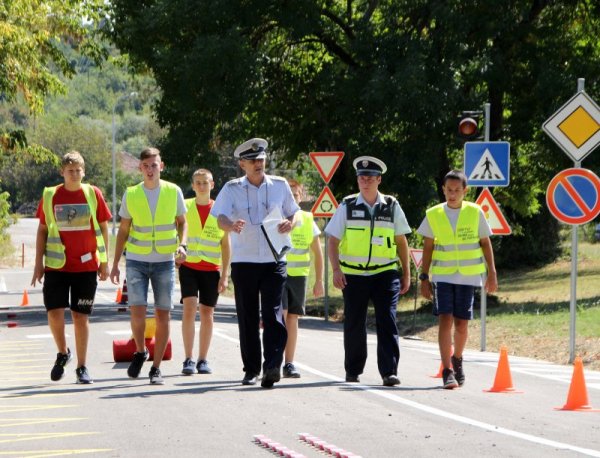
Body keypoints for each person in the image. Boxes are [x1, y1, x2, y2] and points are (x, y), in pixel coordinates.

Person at [211, 138, 299, 388]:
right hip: (245, 260)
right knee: (248, 316)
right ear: (242, 164)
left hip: (274, 260)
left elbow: (293, 212)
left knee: (272, 314)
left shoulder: (280, 185)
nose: (258, 164)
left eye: (261, 159)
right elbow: (220, 218)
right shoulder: (231, 188)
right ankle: (251, 369)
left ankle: (272, 366)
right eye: (252, 161)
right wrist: (230, 225)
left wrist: (290, 223)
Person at [326, 156, 411, 387]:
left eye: (370, 178)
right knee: (354, 323)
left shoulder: (391, 205)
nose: (365, 181)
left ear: (379, 180)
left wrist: (407, 273)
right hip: (353, 275)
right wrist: (336, 269)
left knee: (388, 320)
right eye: (361, 177)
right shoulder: (347, 205)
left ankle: (389, 372)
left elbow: (401, 241)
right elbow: (332, 241)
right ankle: (353, 370)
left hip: (385, 274)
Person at [31, 151, 111, 384]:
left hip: (86, 267)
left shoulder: (92, 193)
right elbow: (43, 230)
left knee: (80, 316)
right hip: (56, 266)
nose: (74, 174)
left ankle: (82, 367)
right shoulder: (50, 195)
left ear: (83, 172)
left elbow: (104, 228)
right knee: (54, 314)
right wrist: (38, 264)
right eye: (70, 171)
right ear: (62, 172)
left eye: (78, 170)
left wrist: (104, 261)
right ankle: (63, 352)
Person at [110, 147, 187, 385]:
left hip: (164, 260)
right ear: (140, 168)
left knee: (163, 314)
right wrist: (115, 263)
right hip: (137, 260)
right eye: (146, 166)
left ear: (161, 166)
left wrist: (182, 246)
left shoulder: (173, 191)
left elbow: (183, 223)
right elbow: (123, 230)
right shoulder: (131, 193)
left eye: (154, 165)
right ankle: (141, 350)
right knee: (137, 313)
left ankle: (155, 368)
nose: (151, 170)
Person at [417, 169, 497, 389]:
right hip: (443, 275)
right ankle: (447, 370)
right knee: (445, 318)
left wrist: (492, 272)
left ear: (465, 191)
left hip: (468, 276)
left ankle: (458, 359)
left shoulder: (475, 212)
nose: (452, 194)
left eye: (456, 190)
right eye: (448, 190)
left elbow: (485, 242)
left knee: (461, 323)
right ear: (443, 189)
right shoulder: (434, 213)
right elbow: (428, 246)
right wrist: (424, 277)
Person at [179, 168, 231, 376]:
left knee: (207, 313)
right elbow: (177, 232)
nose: (201, 186)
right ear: (193, 186)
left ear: (212, 185)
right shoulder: (185, 205)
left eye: (205, 182)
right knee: (189, 308)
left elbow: (226, 245)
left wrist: (225, 275)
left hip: (211, 268)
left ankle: (202, 359)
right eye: (198, 182)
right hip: (189, 266)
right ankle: (188, 358)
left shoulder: (221, 209)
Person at [282, 179, 324, 378]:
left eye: (296, 195)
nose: (293, 198)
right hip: (277, 274)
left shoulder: (307, 218)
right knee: (280, 315)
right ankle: (273, 359)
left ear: (300, 197)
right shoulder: (275, 216)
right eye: (289, 195)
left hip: (299, 277)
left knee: (292, 318)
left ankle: (289, 363)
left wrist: (319, 281)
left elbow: (317, 251)